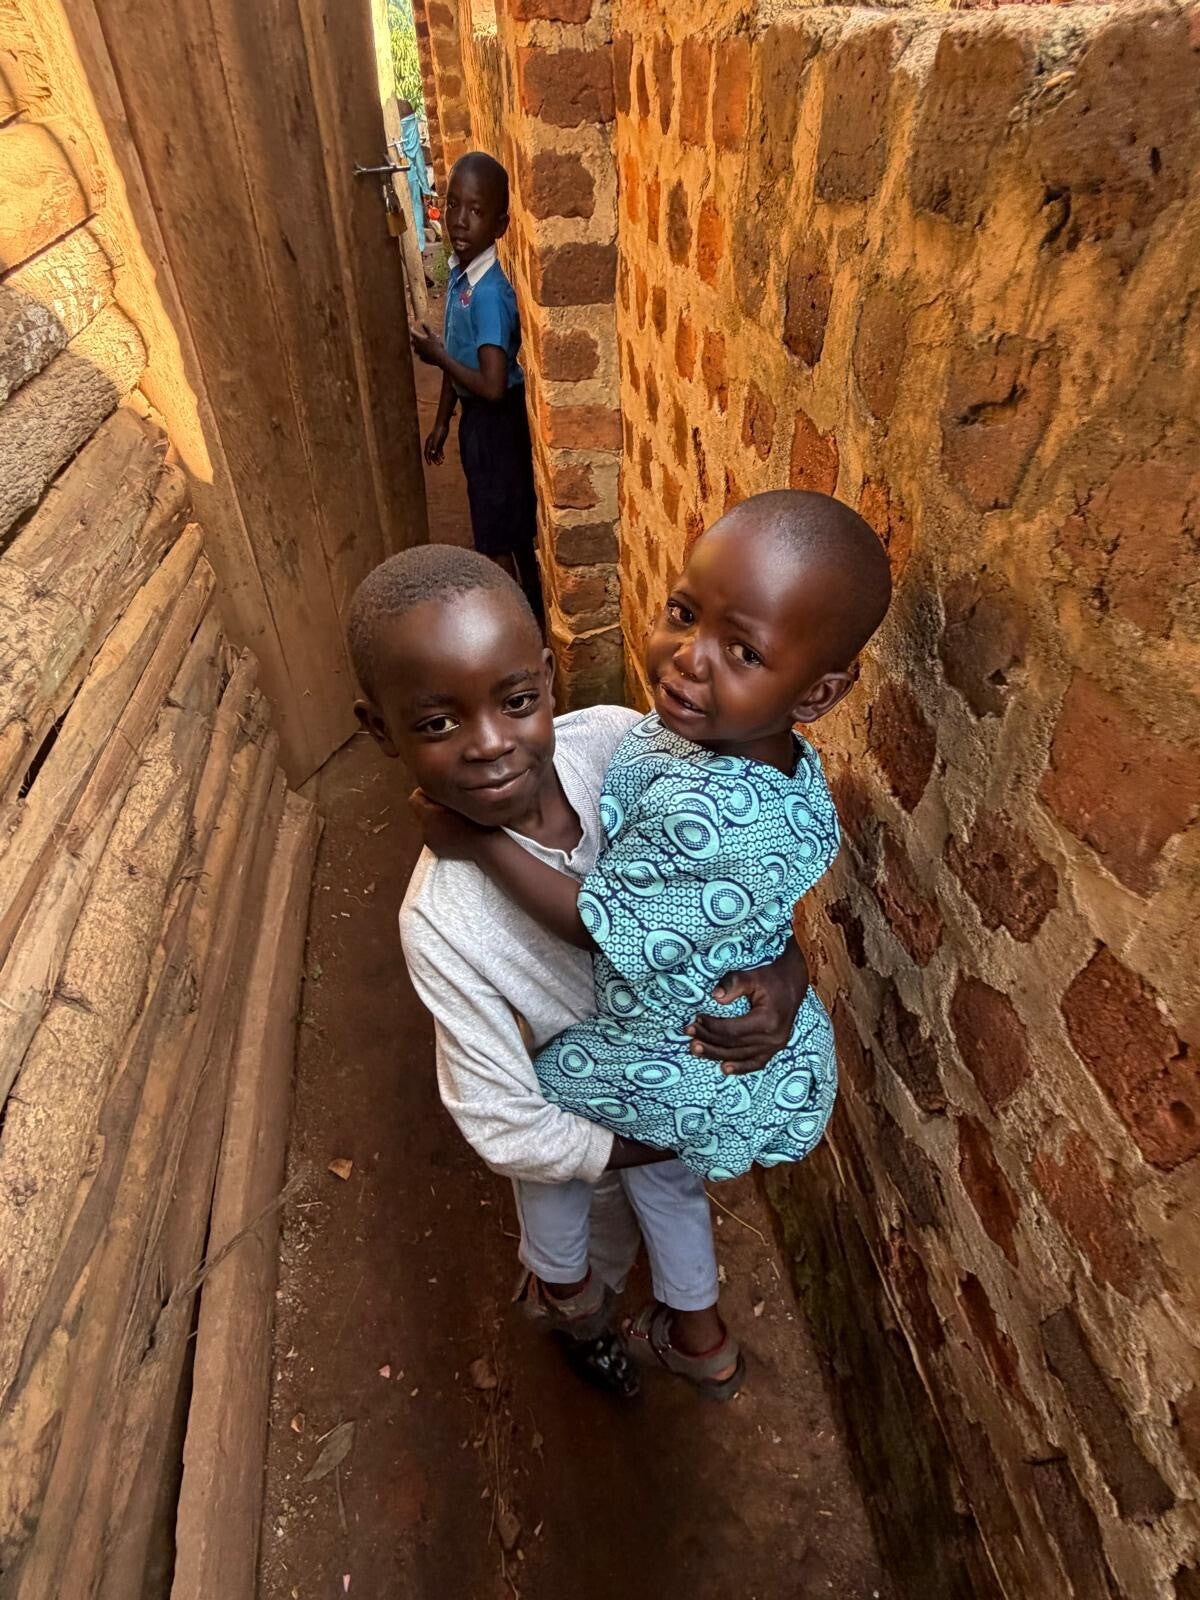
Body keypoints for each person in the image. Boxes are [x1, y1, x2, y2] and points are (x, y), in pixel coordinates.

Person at [348, 544, 813, 1399]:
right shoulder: (441, 922)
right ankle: (583, 1308)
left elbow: (740, 883)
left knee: (655, 1195)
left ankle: (669, 1331)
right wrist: (656, 1140)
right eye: (438, 723)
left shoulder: (615, 746)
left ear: (549, 682)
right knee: (571, 1214)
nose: (491, 744)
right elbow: (506, 1122)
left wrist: (788, 968)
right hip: (576, 1110)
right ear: (380, 731)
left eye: (516, 701)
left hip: (667, 1072)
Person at [416, 491, 892, 1191]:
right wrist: (790, 967)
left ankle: (709, 1142)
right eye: (684, 614)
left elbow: (597, 926)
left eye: (744, 652)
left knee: (542, 1085)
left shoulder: (716, 816)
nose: (689, 658)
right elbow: (756, 903)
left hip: (685, 1043)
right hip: (724, 998)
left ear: (815, 696)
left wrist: (478, 841)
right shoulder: (735, 743)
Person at [409, 152, 543, 624]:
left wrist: (437, 356)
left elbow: (490, 385)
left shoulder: (488, 294)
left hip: (496, 425)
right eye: (453, 205)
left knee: (498, 538)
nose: (460, 221)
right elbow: (459, 355)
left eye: (476, 211)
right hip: (478, 424)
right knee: (507, 528)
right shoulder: (462, 276)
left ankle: (516, 628)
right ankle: (532, 619)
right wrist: (443, 421)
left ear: (501, 225)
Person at [395, 97, 433, 248]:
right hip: (410, 174)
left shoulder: (392, 124)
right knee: (415, 211)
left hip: (395, 174)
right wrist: (426, 189)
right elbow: (418, 157)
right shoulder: (410, 125)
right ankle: (420, 248)